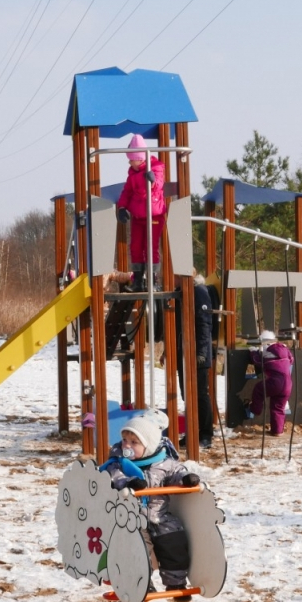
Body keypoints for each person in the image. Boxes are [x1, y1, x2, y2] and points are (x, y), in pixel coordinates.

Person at [101, 414, 201, 601]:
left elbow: (177, 473)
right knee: (137, 548)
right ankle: (143, 583)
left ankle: (176, 583)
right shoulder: (119, 464)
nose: (127, 446)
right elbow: (113, 476)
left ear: (149, 445)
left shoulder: (164, 463)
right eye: (124, 440)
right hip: (131, 518)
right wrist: (129, 483)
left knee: (174, 542)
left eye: (134, 442)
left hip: (159, 515)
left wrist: (187, 479)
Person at [116, 133, 166, 292]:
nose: (130, 162)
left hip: (154, 215)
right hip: (138, 215)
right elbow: (127, 192)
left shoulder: (156, 167)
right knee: (136, 247)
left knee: (150, 247)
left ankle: (153, 281)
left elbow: (158, 185)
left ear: (140, 158)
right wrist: (122, 207)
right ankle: (138, 280)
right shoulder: (132, 174)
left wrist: (152, 180)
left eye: (132, 159)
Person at [172, 271, 215, 449]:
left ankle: (205, 435)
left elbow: (204, 325)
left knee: (199, 394)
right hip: (185, 352)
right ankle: (192, 432)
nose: (171, 279)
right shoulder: (180, 293)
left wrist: (202, 353)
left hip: (197, 353)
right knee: (188, 395)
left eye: (174, 276)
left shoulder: (198, 292)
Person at [248, 330, 294, 437]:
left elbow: (258, 361)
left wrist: (253, 351)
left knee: (259, 389)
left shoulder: (267, 350)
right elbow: (291, 359)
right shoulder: (284, 349)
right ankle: (277, 431)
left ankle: (255, 409)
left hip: (275, 382)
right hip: (287, 384)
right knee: (278, 408)